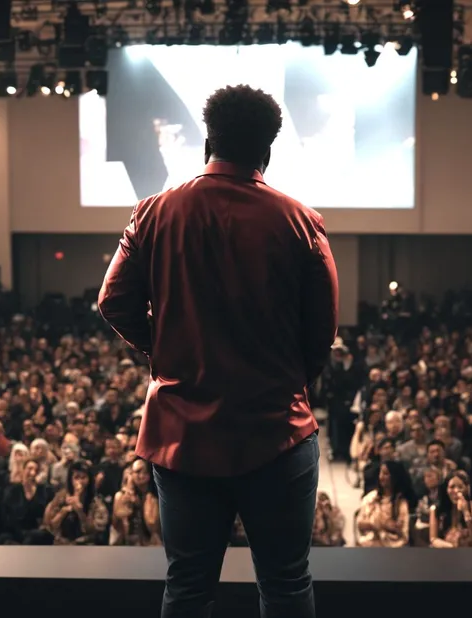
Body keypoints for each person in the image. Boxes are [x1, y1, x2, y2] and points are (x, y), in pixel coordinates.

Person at [98, 84, 339, 618]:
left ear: (207, 140)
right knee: (285, 583)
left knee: (187, 585)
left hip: (181, 434)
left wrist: (165, 353)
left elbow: (112, 301)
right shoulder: (302, 222)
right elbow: (321, 334)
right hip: (277, 430)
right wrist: (287, 381)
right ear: (268, 150)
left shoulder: (153, 212)